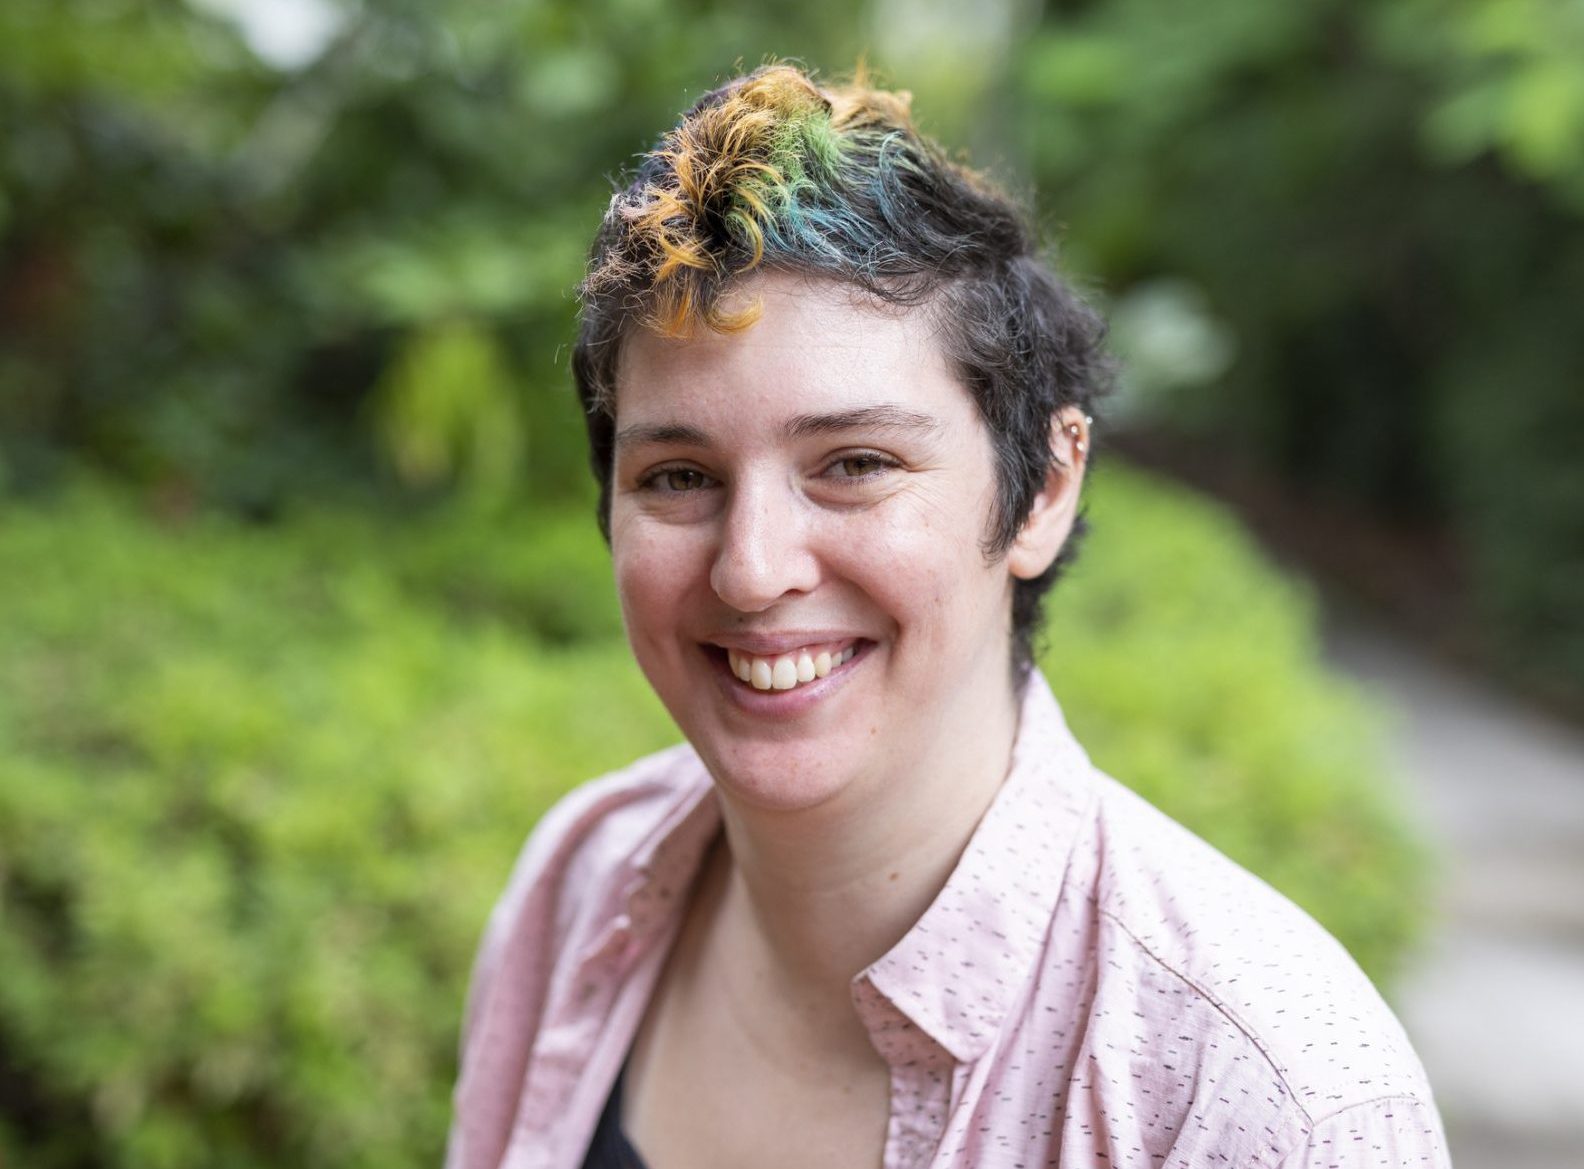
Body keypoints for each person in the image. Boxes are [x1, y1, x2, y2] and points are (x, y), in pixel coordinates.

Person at [446, 64, 1451, 1169]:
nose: (752, 568)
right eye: (679, 477)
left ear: (1043, 488)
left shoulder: (1255, 1093)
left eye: (856, 463)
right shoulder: (583, 886)